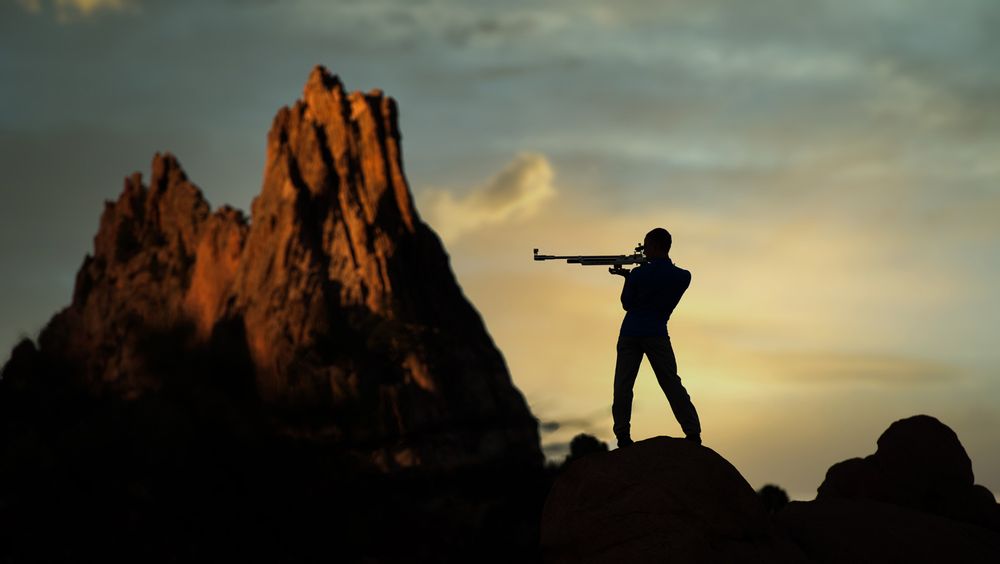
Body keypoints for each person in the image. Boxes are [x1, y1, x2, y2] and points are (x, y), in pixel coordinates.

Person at [609, 227, 701, 448]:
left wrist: (628, 279)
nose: (644, 249)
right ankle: (693, 433)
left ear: (656, 246)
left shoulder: (640, 274)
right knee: (671, 383)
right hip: (657, 333)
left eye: (647, 245)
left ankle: (622, 436)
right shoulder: (682, 277)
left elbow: (627, 304)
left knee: (623, 385)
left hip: (631, 333)